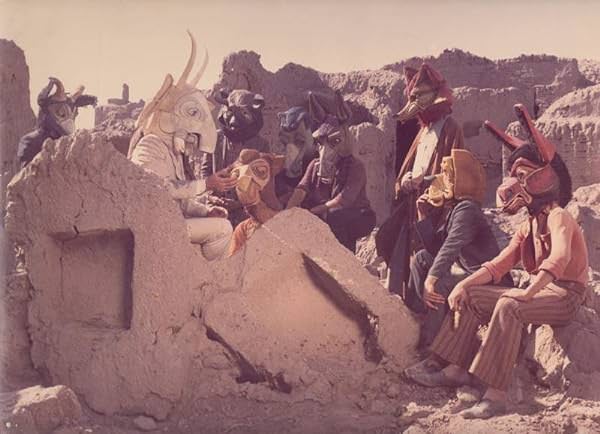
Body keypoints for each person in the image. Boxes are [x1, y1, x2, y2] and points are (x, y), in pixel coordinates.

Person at [406, 104, 588, 420]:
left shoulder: (559, 216)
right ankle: (454, 370)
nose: (512, 184)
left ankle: (495, 396)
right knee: (473, 296)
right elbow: (498, 265)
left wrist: (528, 293)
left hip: (565, 295)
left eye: (522, 176)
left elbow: (560, 257)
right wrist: (464, 285)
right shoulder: (528, 225)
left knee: (509, 305)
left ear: (545, 179)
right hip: (544, 292)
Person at [128, 31, 235, 261]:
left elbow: (179, 202)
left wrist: (206, 211)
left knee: (219, 222)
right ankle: (208, 275)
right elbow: (158, 190)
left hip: (171, 221)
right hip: (154, 227)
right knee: (223, 230)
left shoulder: (172, 153)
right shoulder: (149, 146)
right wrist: (207, 184)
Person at [376, 64, 464, 299]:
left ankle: (424, 306)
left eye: (419, 96)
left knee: (425, 256)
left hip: (435, 208)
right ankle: (402, 301)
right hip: (412, 204)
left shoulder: (451, 129)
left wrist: (426, 183)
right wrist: (405, 180)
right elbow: (409, 166)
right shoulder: (423, 132)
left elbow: (455, 173)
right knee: (395, 246)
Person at [407, 149, 504, 349]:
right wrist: (422, 215)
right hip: (465, 269)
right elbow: (436, 248)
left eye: (447, 176)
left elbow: (450, 247)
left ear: (461, 180)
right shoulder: (455, 209)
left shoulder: (467, 209)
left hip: (482, 276)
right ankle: (417, 314)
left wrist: (431, 280)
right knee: (421, 258)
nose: (442, 181)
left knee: (439, 285)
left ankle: (432, 346)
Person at [286, 91, 376, 252]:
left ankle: (346, 259)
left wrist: (313, 212)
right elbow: (301, 189)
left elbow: (343, 200)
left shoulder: (355, 166)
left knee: (336, 217)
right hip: (327, 211)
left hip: (359, 214)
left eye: (333, 142)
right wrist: (288, 211)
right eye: (321, 143)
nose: (326, 149)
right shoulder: (315, 165)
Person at [18, 77, 97, 167]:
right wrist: (49, 86)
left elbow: (74, 101)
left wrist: (89, 100)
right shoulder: (30, 142)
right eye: (61, 112)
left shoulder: (73, 143)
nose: (67, 118)